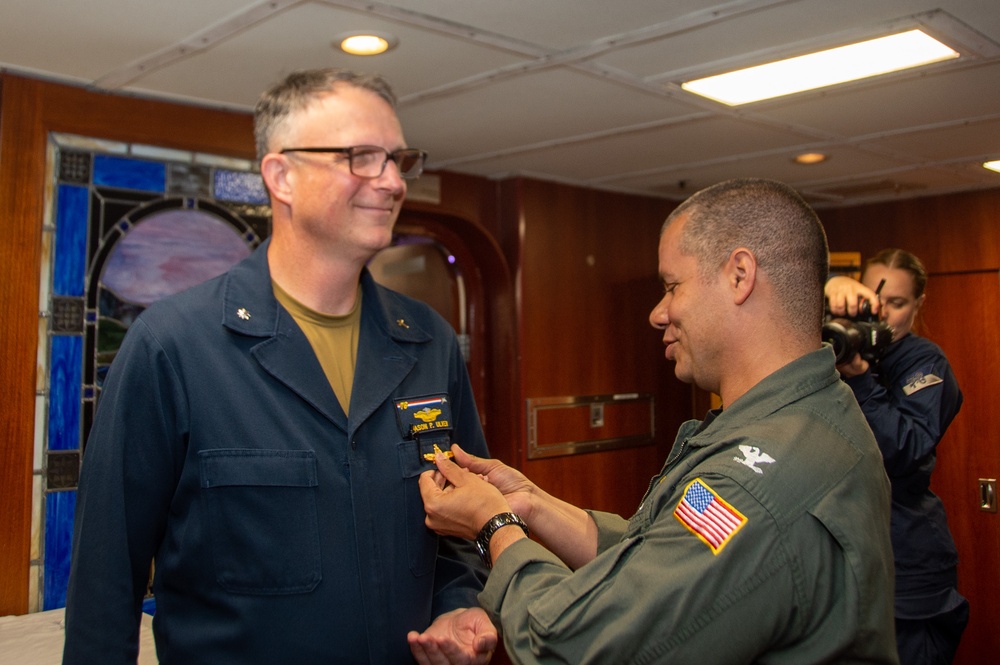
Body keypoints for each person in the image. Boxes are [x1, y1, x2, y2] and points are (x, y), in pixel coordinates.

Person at [63, 69, 497, 664]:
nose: (394, 181)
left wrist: (459, 602)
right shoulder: (173, 346)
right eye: (363, 157)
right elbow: (105, 579)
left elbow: (461, 523)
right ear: (282, 175)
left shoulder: (429, 343)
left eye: (398, 159)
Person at [413, 178, 899, 664]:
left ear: (739, 275)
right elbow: (658, 564)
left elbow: (570, 646)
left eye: (671, 287)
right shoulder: (808, 414)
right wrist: (531, 505)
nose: (658, 313)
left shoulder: (754, 486)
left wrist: (491, 524)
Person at [826, 249, 969, 664]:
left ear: (918, 305)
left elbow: (905, 448)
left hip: (907, 572)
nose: (882, 312)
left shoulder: (923, 361)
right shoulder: (833, 347)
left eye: (897, 302)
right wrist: (828, 284)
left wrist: (862, 380)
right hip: (847, 566)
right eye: (872, 298)